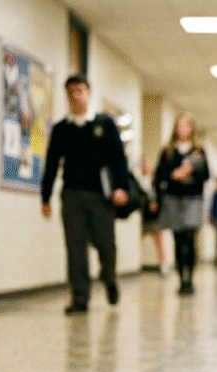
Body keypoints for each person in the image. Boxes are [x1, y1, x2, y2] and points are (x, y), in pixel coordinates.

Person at [41, 75, 129, 314]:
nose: (76, 96)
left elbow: (118, 158)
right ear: (66, 97)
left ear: (88, 94)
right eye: (71, 92)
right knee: (75, 247)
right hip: (72, 195)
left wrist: (122, 188)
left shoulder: (105, 125)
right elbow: (51, 163)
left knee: (105, 244)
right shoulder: (61, 130)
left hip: (101, 196)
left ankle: (109, 278)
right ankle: (80, 296)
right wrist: (45, 196)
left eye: (80, 91)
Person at [154, 113, 209, 294]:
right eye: (180, 125)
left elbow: (205, 176)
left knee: (190, 238)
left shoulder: (199, 152)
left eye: (186, 125)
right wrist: (174, 175)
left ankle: (190, 279)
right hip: (173, 199)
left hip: (192, 199)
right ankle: (181, 280)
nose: (183, 129)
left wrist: (191, 172)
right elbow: (160, 175)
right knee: (178, 240)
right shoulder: (168, 151)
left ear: (191, 128)